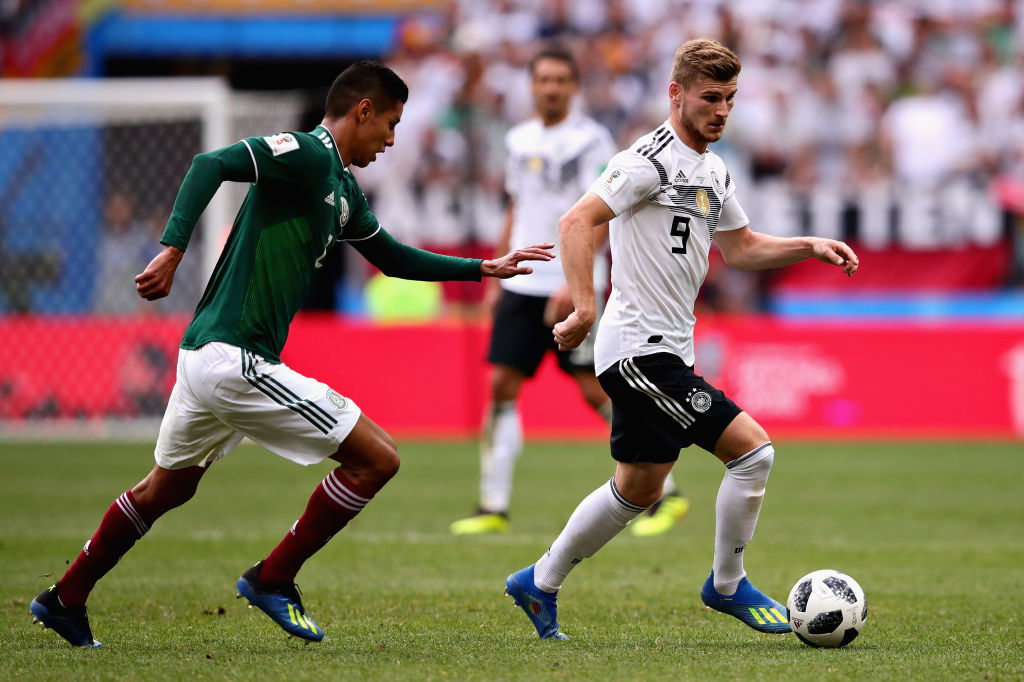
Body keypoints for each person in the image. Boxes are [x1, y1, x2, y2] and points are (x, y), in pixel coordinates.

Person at [29, 60, 554, 648]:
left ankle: (65, 597)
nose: (390, 140)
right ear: (363, 110)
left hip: (202, 359)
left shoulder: (344, 189)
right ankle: (273, 577)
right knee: (377, 459)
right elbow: (211, 163)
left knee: (166, 489)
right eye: (390, 123)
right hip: (236, 359)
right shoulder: (306, 152)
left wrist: (482, 266)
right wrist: (174, 248)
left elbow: (396, 259)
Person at [504, 38, 859, 640]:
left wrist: (806, 244)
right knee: (753, 452)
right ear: (677, 94)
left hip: (668, 348)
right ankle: (727, 585)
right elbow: (575, 221)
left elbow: (741, 248)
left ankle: (538, 582)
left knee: (637, 487)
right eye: (710, 98)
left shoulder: (714, 169)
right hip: (639, 350)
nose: (722, 110)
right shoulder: (645, 160)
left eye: (730, 99)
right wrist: (585, 305)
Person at [450, 45, 689, 537]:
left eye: (561, 80)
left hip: (569, 284)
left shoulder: (591, 141)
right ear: (532, 85)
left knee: (596, 389)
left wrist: (574, 283)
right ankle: (492, 505)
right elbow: (517, 208)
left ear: (574, 87)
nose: (552, 88)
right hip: (522, 281)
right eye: (544, 80)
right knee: (501, 386)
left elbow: (600, 214)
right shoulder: (518, 140)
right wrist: (497, 271)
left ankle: (667, 492)